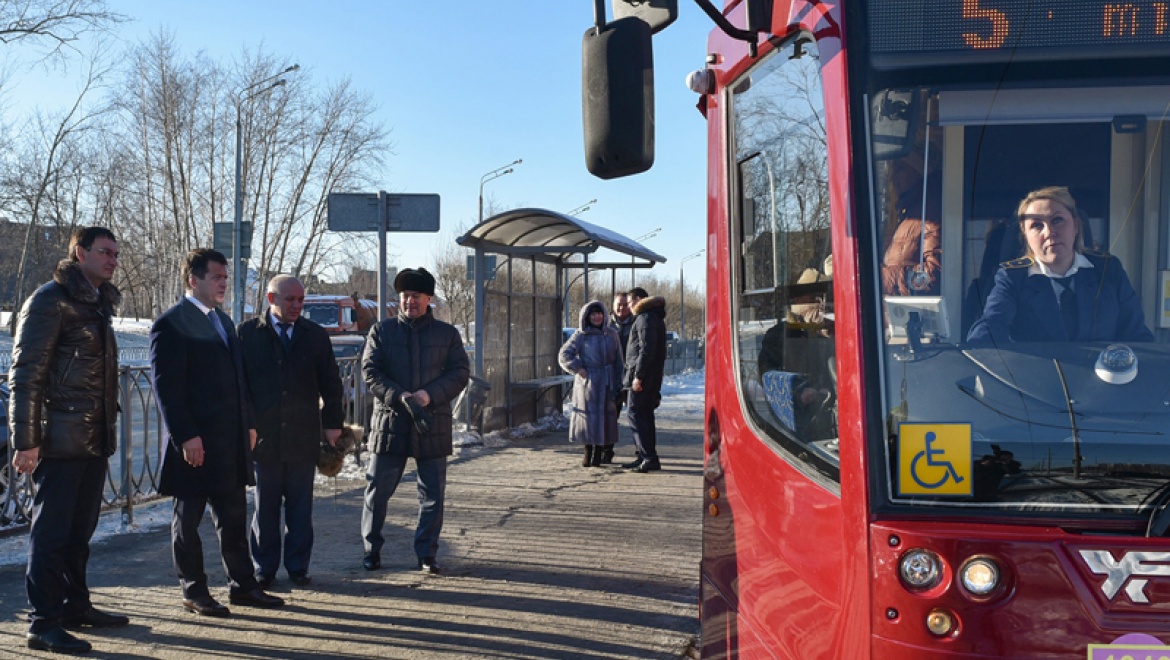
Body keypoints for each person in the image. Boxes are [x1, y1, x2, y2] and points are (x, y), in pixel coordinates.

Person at [8, 227, 128, 654]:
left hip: (93, 438)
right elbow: (25, 375)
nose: (114, 259)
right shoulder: (49, 300)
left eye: (117, 252)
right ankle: (43, 623)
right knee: (52, 533)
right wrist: (26, 440)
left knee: (80, 531)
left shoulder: (96, 304)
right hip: (58, 441)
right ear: (79, 253)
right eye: (105, 252)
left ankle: (76, 606)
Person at [151, 249, 284, 618]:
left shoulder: (223, 322)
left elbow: (239, 379)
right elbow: (168, 389)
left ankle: (243, 586)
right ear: (193, 280)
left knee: (233, 518)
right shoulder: (171, 323)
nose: (224, 283)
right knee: (188, 521)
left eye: (226, 277)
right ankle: (193, 590)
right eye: (217, 277)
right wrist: (186, 436)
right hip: (194, 443)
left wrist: (251, 422)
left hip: (230, 441)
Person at [238, 275, 345, 588]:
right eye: (290, 300)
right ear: (272, 300)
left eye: (301, 300)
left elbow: (331, 382)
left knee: (301, 507)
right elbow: (238, 386)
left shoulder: (314, 335)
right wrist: (246, 425)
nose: (297, 306)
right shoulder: (247, 334)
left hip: (302, 435)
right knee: (265, 507)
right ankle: (264, 568)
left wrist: (333, 424)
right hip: (264, 438)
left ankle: (298, 566)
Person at [361, 267, 469, 574]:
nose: (410, 302)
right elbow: (370, 372)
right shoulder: (382, 331)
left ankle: (426, 554)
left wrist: (428, 395)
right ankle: (371, 550)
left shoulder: (447, 334)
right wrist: (399, 396)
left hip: (431, 423)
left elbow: (460, 373)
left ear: (429, 299)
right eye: (406, 296)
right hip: (390, 424)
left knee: (432, 496)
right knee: (377, 492)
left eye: (416, 297)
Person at [966, 186, 1153, 344]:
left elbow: (1136, 336)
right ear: (1026, 236)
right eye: (1037, 225)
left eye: (1057, 220)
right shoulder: (1012, 277)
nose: (1049, 232)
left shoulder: (1107, 270)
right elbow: (991, 324)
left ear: (1076, 226)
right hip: (1038, 383)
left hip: (1103, 381)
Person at [559, 301, 624, 467]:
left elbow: (618, 361)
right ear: (587, 317)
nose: (597, 317)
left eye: (599, 313)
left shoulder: (612, 334)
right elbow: (564, 355)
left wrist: (619, 383)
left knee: (606, 419)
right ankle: (588, 450)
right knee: (588, 419)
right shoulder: (581, 335)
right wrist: (578, 367)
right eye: (593, 314)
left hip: (608, 381)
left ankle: (600, 451)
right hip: (588, 384)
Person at [881, 150, 942, 296]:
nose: (893, 178)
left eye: (899, 170)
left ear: (918, 172)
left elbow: (934, 275)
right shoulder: (905, 215)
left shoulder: (929, 212)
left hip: (917, 314)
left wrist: (883, 279)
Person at [622, 287, 667, 473]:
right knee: (645, 415)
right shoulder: (651, 316)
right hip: (651, 376)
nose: (628, 306)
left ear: (639, 299)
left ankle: (648, 456)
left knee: (636, 413)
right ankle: (645, 455)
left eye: (630, 302)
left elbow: (646, 350)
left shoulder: (645, 318)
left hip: (643, 377)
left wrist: (638, 376)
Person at [604, 292, 635, 464]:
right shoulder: (605, 323)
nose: (622, 308)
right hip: (613, 378)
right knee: (610, 416)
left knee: (635, 416)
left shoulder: (636, 322)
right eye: (618, 304)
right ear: (613, 305)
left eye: (625, 304)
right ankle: (606, 450)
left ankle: (641, 451)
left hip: (630, 377)